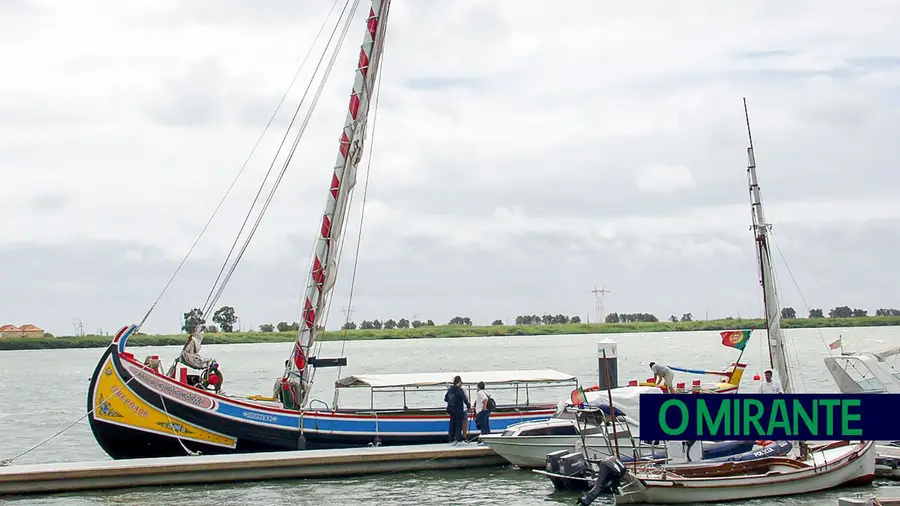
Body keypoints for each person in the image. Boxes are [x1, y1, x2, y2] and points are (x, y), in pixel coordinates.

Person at [444, 375, 470, 445]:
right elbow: (464, 399)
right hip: (459, 410)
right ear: (459, 382)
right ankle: (458, 439)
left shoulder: (450, 389)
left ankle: (451, 439)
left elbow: (445, 399)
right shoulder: (459, 390)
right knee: (458, 425)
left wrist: (451, 402)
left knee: (452, 424)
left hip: (451, 410)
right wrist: (469, 406)